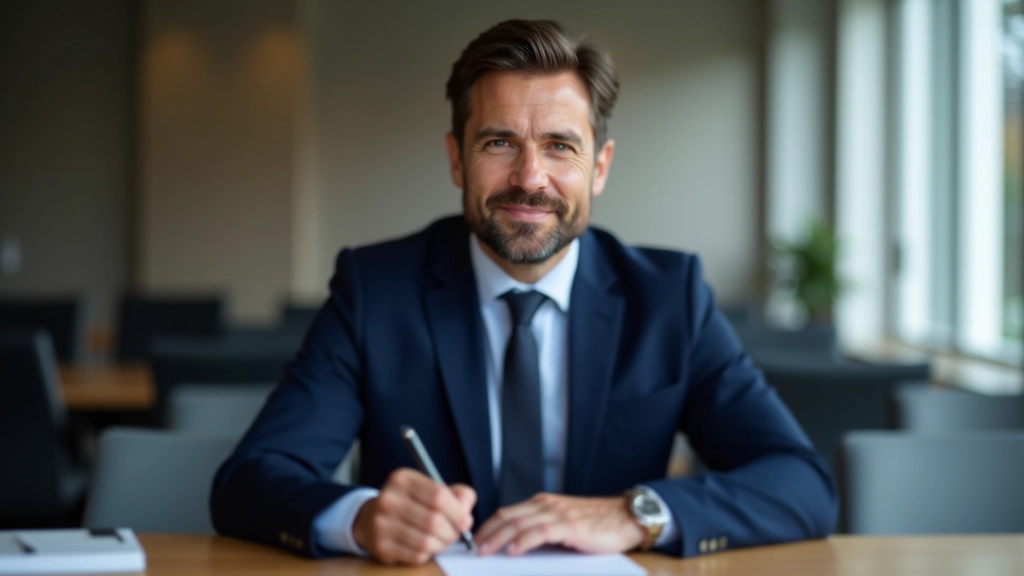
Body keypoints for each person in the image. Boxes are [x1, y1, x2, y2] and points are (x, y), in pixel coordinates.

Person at [210, 19, 837, 565]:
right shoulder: (376, 291)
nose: (529, 178)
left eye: (560, 146)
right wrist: (359, 518)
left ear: (601, 166)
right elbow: (250, 481)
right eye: (499, 143)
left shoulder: (670, 299)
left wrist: (635, 513)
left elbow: (801, 484)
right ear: (457, 160)